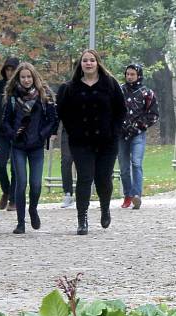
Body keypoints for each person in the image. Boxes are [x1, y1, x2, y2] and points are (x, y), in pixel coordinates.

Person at [57, 49, 126, 235]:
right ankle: (82, 218)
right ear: (80, 64)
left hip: (107, 141)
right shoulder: (70, 87)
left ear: (98, 63)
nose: (88, 63)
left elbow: (121, 110)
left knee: (103, 178)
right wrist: (72, 130)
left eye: (92, 60)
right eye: (85, 61)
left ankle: (105, 208)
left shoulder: (110, 84)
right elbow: (62, 112)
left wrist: (115, 131)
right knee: (84, 178)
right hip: (81, 141)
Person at [1, 62, 58, 234]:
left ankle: (33, 208)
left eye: (29, 77)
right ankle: (20, 222)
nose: (26, 80)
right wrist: (13, 134)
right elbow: (5, 121)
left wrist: (42, 134)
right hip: (18, 146)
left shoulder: (43, 96)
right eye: (23, 77)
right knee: (21, 182)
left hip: (36, 145)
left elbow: (53, 120)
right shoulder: (12, 96)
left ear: (34, 77)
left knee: (36, 183)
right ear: (18, 78)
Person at [118, 63, 159, 210]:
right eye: (127, 74)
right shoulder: (119, 91)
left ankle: (136, 195)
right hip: (121, 135)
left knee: (136, 163)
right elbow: (111, 110)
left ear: (138, 75)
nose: (129, 77)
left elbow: (153, 115)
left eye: (132, 74)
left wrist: (139, 126)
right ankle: (127, 194)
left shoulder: (146, 93)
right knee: (123, 167)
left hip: (138, 134)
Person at [0, 57, 19, 211]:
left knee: (16, 167)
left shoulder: (23, 86)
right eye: (7, 69)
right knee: (0, 165)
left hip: (18, 132)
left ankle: (13, 199)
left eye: (13, 69)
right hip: (1, 131)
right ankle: (6, 191)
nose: (10, 73)